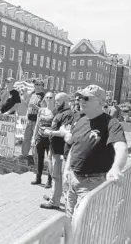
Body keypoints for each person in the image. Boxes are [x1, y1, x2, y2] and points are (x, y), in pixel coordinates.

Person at [61, 85, 128, 218]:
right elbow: (74, 146)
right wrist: (67, 170)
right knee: (69, 221)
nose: (81, 101)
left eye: (86, 98)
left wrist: (116, 168)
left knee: (84, 224)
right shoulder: (80, 120)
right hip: (73, 179)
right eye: (80, 98)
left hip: (92, 183)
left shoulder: (111, 123)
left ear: (99, 102)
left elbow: (121, 147)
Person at [40, 92, 74, 209]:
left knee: (57, 176)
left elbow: (64, 132)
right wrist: (49, 129)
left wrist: (50, 132)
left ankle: (54, 202)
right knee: (53, 174)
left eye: (58, 101)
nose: (56, 103)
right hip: (53, 148)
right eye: (55, 101)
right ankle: (55, 196)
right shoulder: (60, 113)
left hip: (59, 150)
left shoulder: (68, 114)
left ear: (65, 101)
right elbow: (56, 127)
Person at [30, 92, 55, 187]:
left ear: (54, 99)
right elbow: (37, 124)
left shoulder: (56, 111)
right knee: (39, 158)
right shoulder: (41, 110)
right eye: (47, 97)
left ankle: (49, 180)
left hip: (50, 138)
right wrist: (34, 138)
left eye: (51, 97)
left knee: (50, 160)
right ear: (44, 99)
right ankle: (38, 178)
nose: (48, 99)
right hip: (40, 137)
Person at [22, 80, 45, 157]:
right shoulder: (32, 94)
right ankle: (24, 155)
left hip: (37, 121)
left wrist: (36, 107)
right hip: (29, 119)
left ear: (42, 86)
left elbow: (45, 110)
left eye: (39, 85)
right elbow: (28, 105)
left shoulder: (44, 97)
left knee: (35, 140)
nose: (37, 87)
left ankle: (35, 157)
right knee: (26, 138)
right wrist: (26, 115)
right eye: (36, 85)